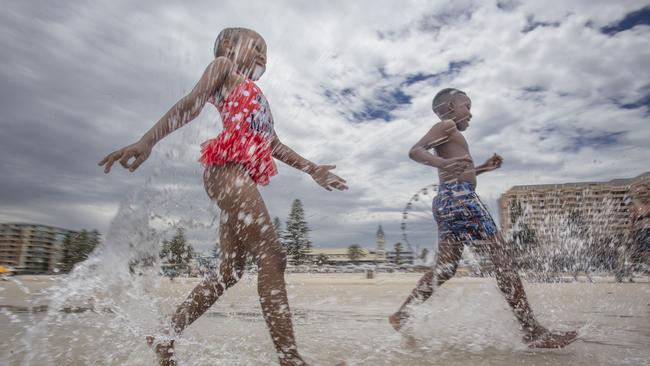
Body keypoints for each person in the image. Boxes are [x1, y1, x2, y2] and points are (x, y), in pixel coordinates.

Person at [98, 27, 348, 366]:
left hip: (240, 177)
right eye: (256, 46)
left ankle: (165, 336)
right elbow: (191, 103)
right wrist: (148, 140)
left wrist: (311, 168)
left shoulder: (256, 94)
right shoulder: (222, 67)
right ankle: (290, 359)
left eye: (265, 50)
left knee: (230, 272)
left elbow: (272, 143)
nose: (262, 54)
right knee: (273, 255)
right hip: (226, 171)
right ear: (229, 46)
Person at [388, 88, 577, 348]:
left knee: (445, 268)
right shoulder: (446, 124)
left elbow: (458, 170)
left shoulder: (449, 133)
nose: (471, 113)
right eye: (467, 105)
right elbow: (415, 151)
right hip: (462, 199)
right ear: (451, 107)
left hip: (447, 200)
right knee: (503, 262)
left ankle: (403, 313)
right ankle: (531, 330)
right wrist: (441, 165)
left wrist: (483, 168)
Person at [618, 181, 650, 282]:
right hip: (642, 232)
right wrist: (629, 237)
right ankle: (623, 272)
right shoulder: (635, 208)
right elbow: (631, 224)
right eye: (639, 193)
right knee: (640, 254)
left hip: (645, 231)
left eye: (644, 192)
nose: (642, 195)